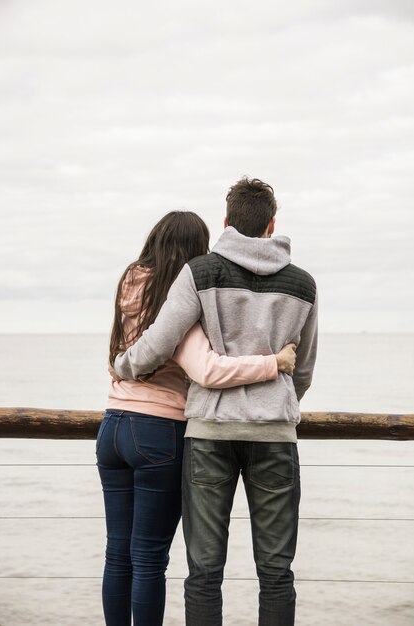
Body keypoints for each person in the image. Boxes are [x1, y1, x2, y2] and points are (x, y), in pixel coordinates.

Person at [114, 178, 318, 626]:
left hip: (208, 435)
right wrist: (279, 402)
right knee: (277, 572)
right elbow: (302, 370)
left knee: (204, 572)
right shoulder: (303, 284)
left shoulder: (200, 272)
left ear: (226, 222)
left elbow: (161, 341)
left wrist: (123, 365)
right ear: (271, 225)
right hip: (274, 436)